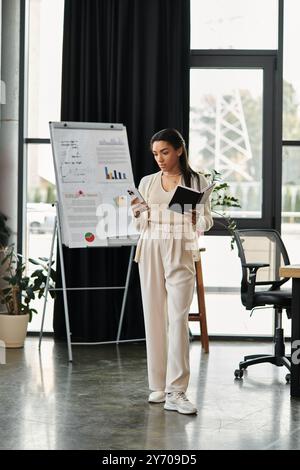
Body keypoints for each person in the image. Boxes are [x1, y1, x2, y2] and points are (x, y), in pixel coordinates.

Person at [130, 128, 213, 415]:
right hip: (151, 246)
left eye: (165, 152)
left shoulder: (196, 180)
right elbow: (140, 224)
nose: (160, 159)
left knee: (177, 318)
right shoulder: (148, 182)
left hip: (181, 246)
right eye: (155, 154)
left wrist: (196, 218)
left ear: (179, 149)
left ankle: (177, 391)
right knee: (154, 316)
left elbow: (207, 222)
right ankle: (159, 385)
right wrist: (138, 212)